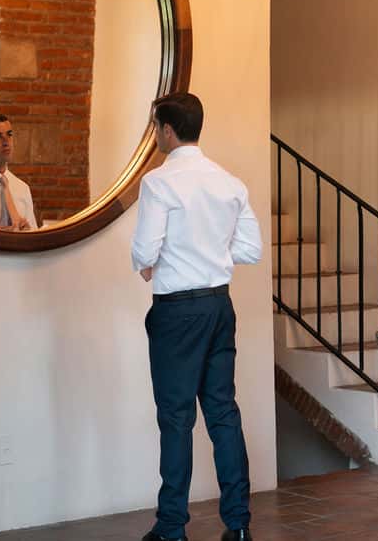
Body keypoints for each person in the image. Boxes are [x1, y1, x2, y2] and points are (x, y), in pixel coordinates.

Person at [131, 92, 262, 541]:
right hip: (219, 306)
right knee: (223, 412)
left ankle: (171, 528)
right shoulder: (230, 183)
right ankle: (239, 525)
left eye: (156, 128)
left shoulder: (158, 183)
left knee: (176, 418)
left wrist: (164, 258)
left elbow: (144, 251)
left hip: (177, 313)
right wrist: (208, 251)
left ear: (167, 130)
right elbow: (250, 249)